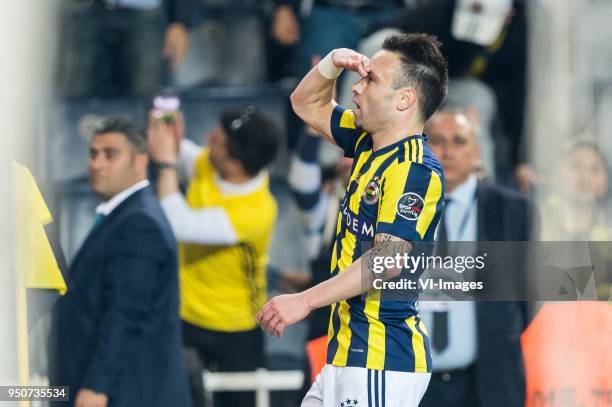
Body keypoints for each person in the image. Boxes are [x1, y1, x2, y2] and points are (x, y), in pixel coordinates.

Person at [258, 33, 449, 406]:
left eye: (370, 79)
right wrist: (332, 62)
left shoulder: (415, 170)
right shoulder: (367, 142)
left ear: (405, 99)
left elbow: (387, 260)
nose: (357, 88)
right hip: (345, 357)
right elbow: (305, 104)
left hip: (381, 360)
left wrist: (305, 301)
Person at [49, 118, 191, 407]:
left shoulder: (139, 223)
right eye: (93, 154)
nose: (97, 164)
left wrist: (97, 386)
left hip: (123, 395)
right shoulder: (127, 215)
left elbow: (126, 313)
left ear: (140, 161)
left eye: (110, 154)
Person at [147, 106, 281, 407]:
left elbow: (178, 223)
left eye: (217, 141)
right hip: (184, 318)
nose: (208, 139)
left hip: (236, 328)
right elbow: (185, 155)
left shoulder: (256, 210)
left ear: (235, 163)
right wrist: (172, 135)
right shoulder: (210, 164)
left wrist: (167, 164)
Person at [421, 107, 534, 407]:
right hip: (412, 385)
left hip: (488, 383)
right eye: (437, 140)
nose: (447, 152)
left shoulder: (514, 210)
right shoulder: (397, 209)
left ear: (476, 151)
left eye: (459, 141)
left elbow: (530, 298)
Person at [57, 0, 194, 98]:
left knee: (145, 97)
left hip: (145, 11)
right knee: (75, 94)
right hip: (82, 10)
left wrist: (180, 19)